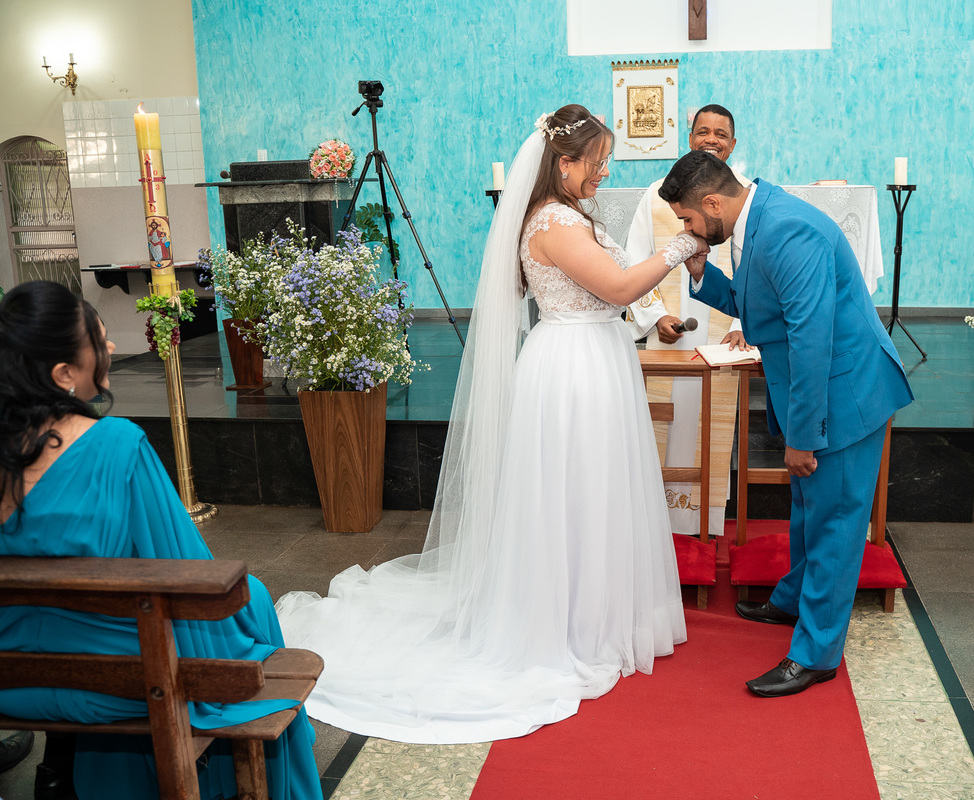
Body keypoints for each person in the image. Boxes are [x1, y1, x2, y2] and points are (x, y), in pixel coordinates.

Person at [275, 104, 698, 744]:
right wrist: (681, 244)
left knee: (595, 490)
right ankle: (568, 623)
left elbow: (613, 296)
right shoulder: (551, 222)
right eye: (598, 160)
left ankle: (597, 610)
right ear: (564, 163)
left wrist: (648, 312)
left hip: (596, 359)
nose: (605, 171)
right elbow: (612, 286)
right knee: (571, 493)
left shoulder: (573, 216)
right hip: (571, 370)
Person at [0, 281, 321, 800]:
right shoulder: (117, 445)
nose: (108, 351)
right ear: (63, 375)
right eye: (96, 346)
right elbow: (186, 568)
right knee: (253, 596)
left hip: (11, 677)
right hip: (114, 685)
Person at [659, 151, 914, 697]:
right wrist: (702, 272)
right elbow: (758, 305)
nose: (688, 229)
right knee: (807, 508)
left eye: (687, 219)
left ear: (711, 202)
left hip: (845, 391)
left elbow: (810, 337)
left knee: (835, 524)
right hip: (824, 385)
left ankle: (817, 653)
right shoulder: (756, 217)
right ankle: (793, 600)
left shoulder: (787, 228)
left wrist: (802, 436)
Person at [625, 104, 752, 539]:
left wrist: (743, 324)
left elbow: (755, 273)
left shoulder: (742, 198)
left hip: (725, 342)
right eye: (703, 131)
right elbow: (636, 259)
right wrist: (657, 314)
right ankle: (659, 525)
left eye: (721, 133)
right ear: (690, 138)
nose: (711, 139)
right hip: (669, 340)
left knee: (709, 426)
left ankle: (706, 525)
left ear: (732, 144)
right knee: (667, 423)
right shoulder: (658, 194)